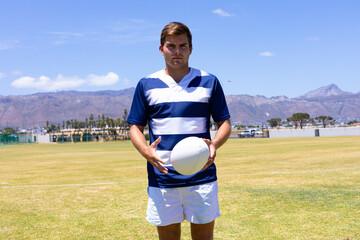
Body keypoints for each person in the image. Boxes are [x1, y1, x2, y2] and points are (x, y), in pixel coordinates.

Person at [127, 22, 231, 240]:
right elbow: (135, 127)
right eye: (171, 46)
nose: (177, 51)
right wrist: (145, 151)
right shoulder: (146, 84)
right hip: (163, 179)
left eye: (183, 46)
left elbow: (225, 124)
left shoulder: (209, 81)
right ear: (161, 48)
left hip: (202, 177)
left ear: (191, 49)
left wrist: (214, 144)